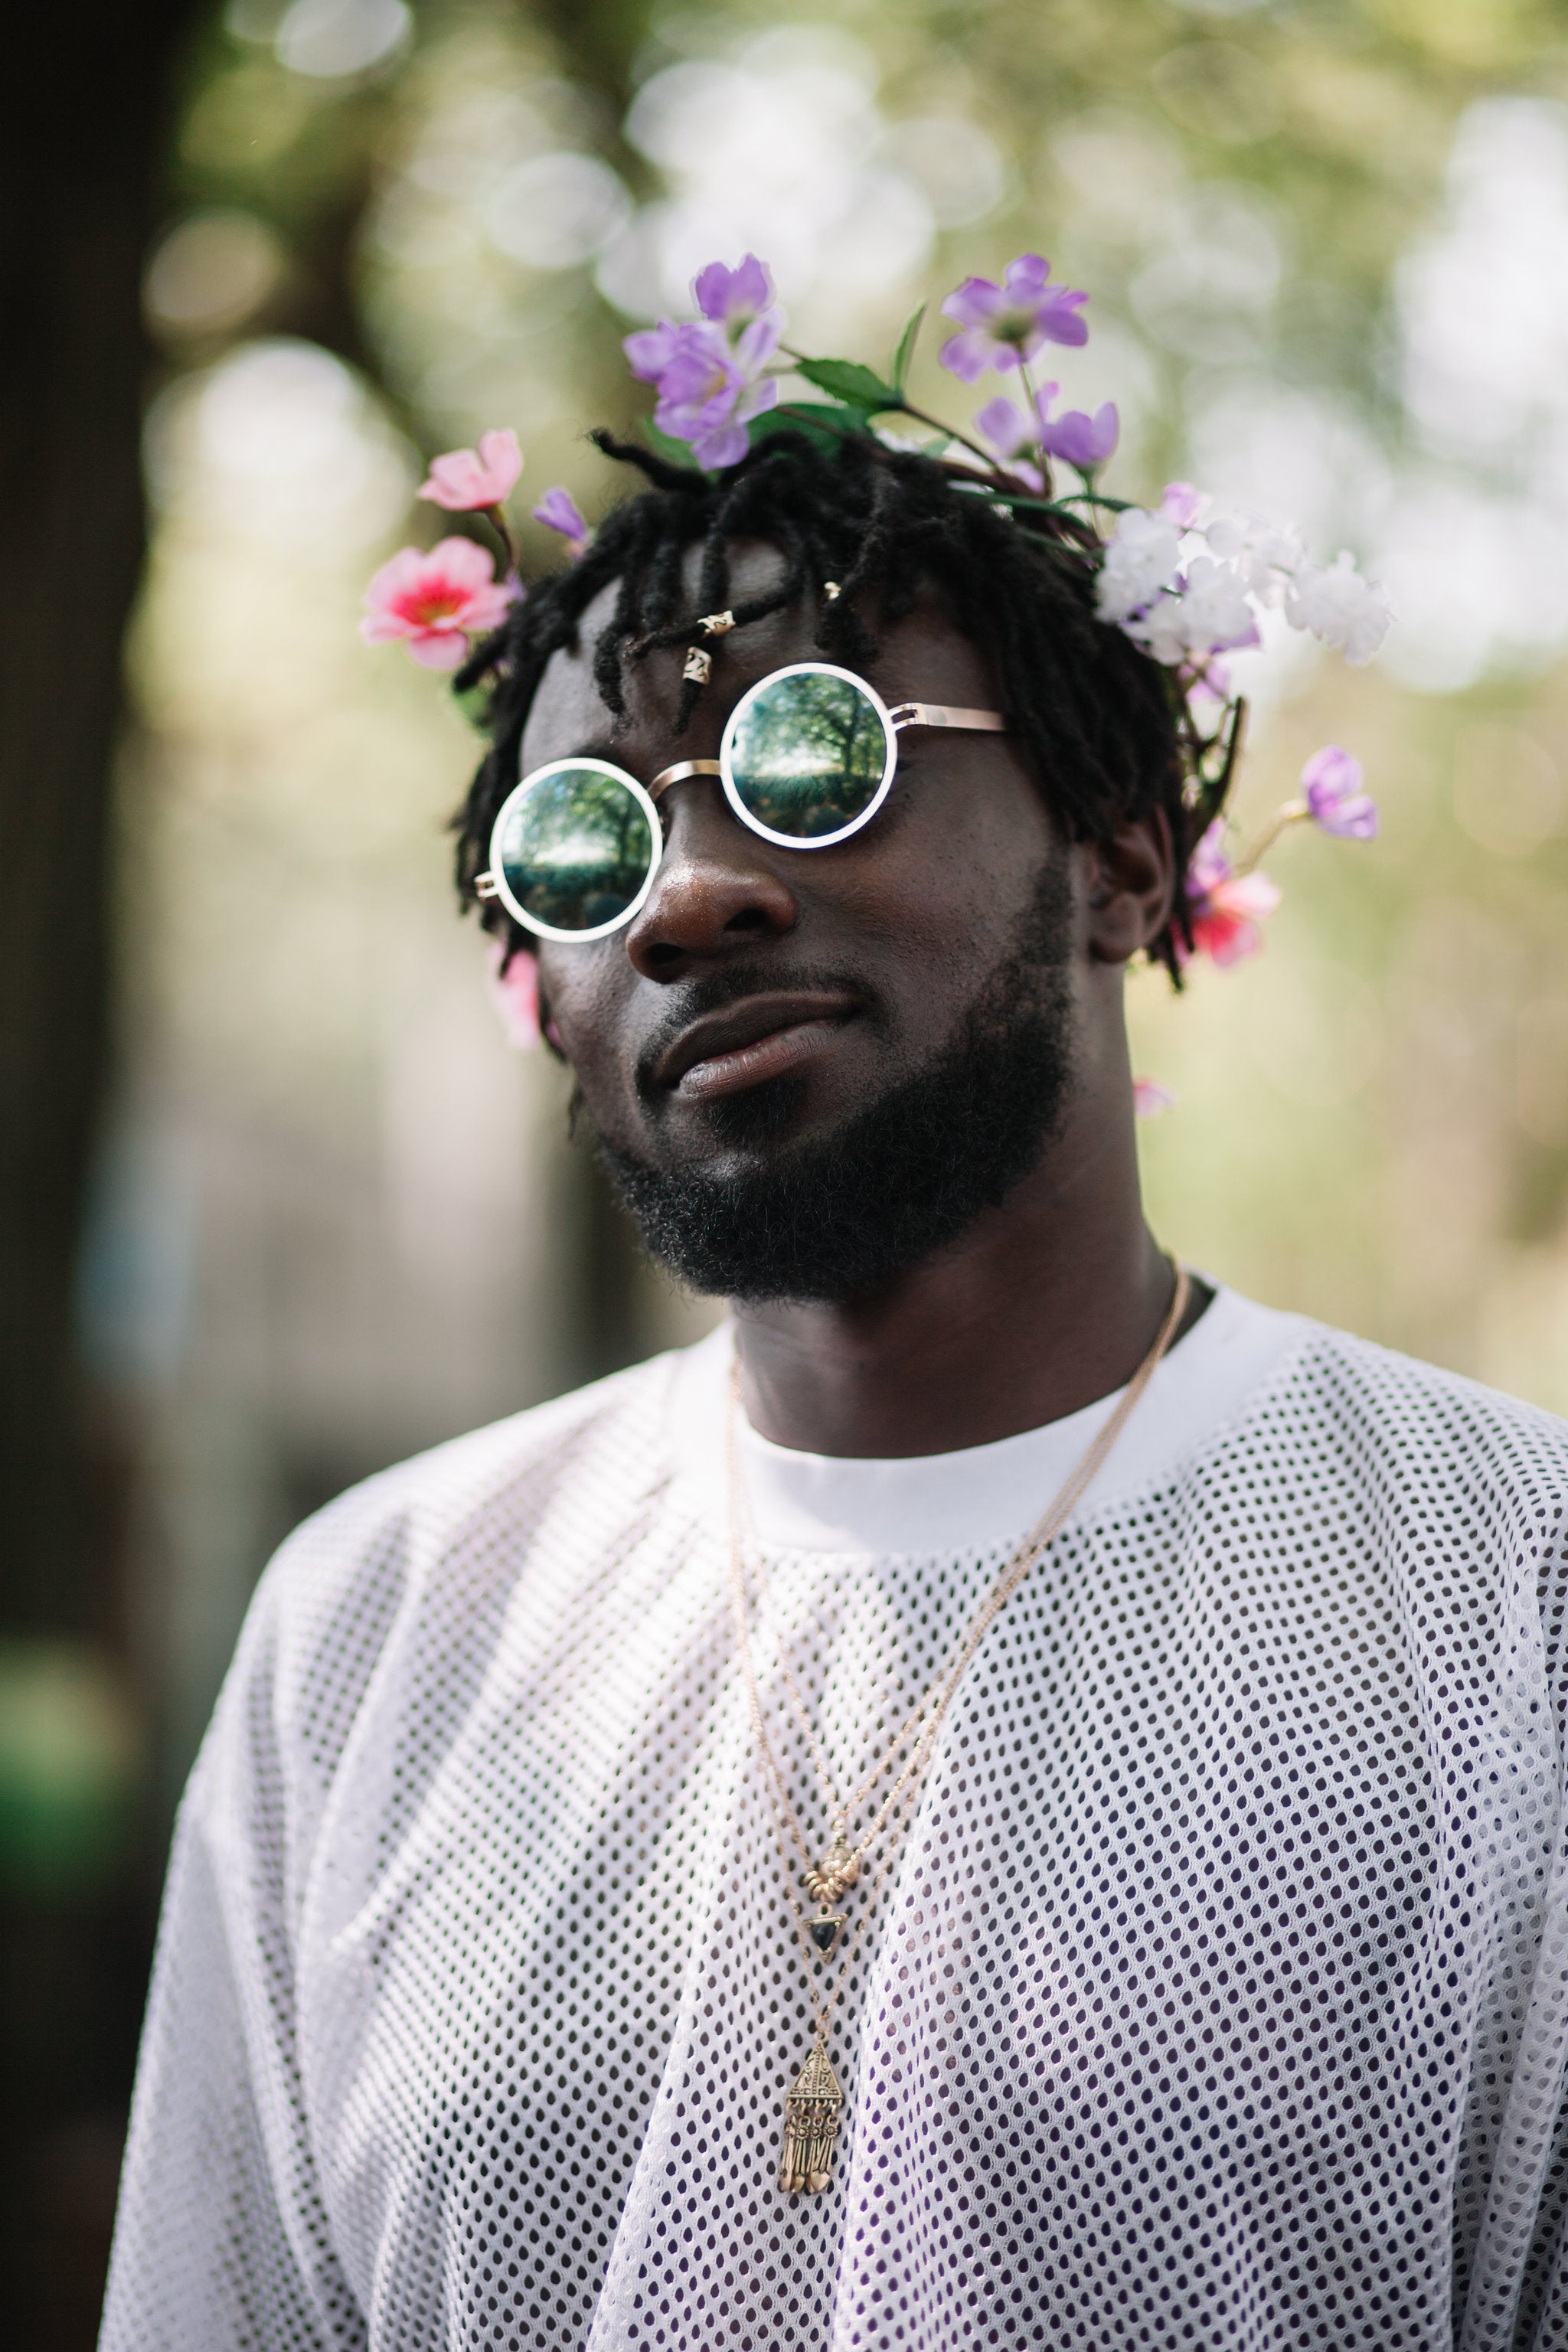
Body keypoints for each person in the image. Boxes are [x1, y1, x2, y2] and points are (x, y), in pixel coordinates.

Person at [102, 263, 1568, 2352]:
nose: (686, 886)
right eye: (580, 836)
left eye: (811, 746)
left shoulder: (1515, 1597)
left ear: (1125, 855)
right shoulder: (378, 1628)